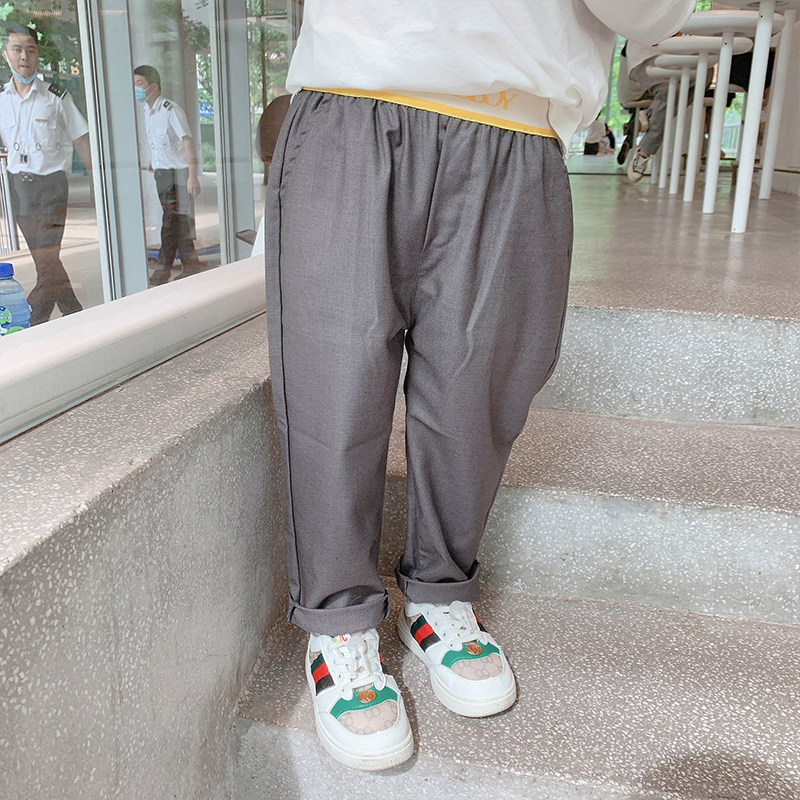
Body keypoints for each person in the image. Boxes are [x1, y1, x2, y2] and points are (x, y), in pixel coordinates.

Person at [265, 0, 695, 772]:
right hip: (356, 96)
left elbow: (652, 14)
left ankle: (438, 594)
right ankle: (339, 624)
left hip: (519, 130)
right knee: (334, 386)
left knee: (481, 389)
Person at [0, 21, 92, 326]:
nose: (24, 56)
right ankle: (74, 312)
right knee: (47, 262)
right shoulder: (1, 99)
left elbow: (80, 138)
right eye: (17, 49)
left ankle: (31, 320)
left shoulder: (56, 96)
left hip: (51, 187)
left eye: (30, 49)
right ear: (5, 54)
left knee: (46, 260)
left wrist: (97, 182)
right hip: (19, 189)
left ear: (38, 54)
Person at [133, 65, 203, 285]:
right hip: (162, 175)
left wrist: (192, 175)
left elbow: (187, 142)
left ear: (154, 86)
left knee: (170, 223)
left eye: (140, 84)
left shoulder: (170, 110)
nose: (136, 89)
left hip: (178, 176)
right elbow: (161, 144)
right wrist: (155, 161)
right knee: (178, 223)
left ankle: (163, 270)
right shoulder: (147, 112)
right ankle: (191, 265)